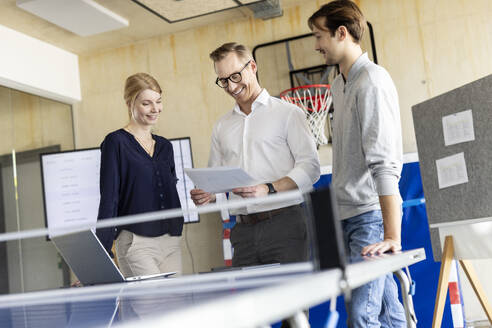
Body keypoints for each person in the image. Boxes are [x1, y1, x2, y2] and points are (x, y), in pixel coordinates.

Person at [308, 1, 407, 327]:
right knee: (386, 314)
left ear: (341, 32)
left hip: (370, 218)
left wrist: (392, 235)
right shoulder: (339, 82)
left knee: (361, 317)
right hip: (346, 214)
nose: (316, 45)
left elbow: (384, 164)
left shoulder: (372, 81)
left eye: (319, 35)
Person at [190, 42, 320, 267]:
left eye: (235, 76)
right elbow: (217, 180)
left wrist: (268, 189)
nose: (231, 87)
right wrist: (209, 195)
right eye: (223, 80)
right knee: (250, 302)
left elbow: (310, 168)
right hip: (242, 232)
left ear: (252, 67)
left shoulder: (288, 114)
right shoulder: (222, 126)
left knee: (291, 301)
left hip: (285, 225)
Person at [96, 72, 184, 278]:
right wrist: (102, 251)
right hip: (136, 242)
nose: (155, 109)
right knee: (152, 307)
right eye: (147, 103)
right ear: (129, 103)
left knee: (177, 307)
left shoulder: (165, 147)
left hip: (171, 241)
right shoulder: (115, 143)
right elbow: (109, 198)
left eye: (159, 101)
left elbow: (169, 188)